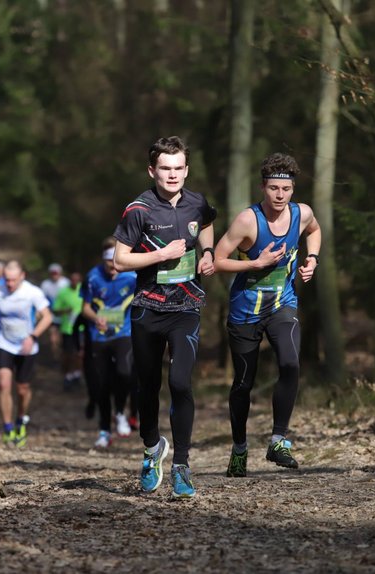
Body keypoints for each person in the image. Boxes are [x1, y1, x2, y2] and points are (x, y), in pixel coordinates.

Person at [113, 136, 216, 498]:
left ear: (186, 170)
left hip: (186, 306)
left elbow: (205, 225)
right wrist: (161, 256)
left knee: (181, 383)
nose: (172, 175)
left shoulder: (197, 202)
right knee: (147, 386)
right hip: (147, 307)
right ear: (152, 170)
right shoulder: (138, 210)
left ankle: (182, 466)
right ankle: (152, 448)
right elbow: (119, 260)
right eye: (165, 169)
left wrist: (208, 253)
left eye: (178, 169)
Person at [213, 153, 321, 477]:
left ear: (292, 190)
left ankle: (278, 441)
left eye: (285, 189)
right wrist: (254, 264)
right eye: (273, 188)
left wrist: (312, 259)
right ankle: (239, 448)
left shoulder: (302, 214)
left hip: (282, 304)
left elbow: (314, 231)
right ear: (263, 187)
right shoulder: (248, 220)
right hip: (245, 311)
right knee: (243, 384)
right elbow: (217, 260)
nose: (279, 195)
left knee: (290, 362)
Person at [0, 260, 53, 447]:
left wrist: (33, 336)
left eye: (13, 280)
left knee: (22, 389)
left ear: (22, 276)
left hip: (26, 345)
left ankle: (21, 418)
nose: (9, 284)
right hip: (4, 343)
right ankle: (7, 426)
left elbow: (48, 317)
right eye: (6, 280)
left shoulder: (32, 292)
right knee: (4, 384)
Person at [82, 238, 138, 449]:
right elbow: (85, 307)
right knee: (102, 384)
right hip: (100, 335)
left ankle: (121, 412)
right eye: (108, 264)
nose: (113, 268)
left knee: (125, 373)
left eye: (116, 263)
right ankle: (104, 430)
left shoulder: (132, 277)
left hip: (124, 333)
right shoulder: (93, 277)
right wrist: (96, 318)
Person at [53, 271, 84, 391]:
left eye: (77, 280)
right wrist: (65, 311)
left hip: (82, 329)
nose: (75, 282)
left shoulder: (84, 290)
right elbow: (55, 310)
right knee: (67, 354)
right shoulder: (63, 292)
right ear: (69, 280)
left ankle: (77, 375)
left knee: (80, 354)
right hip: (68, 329)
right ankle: (67, 376)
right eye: (73, 280)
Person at [40, 263, 70, 356]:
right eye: (53, 273)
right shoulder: (45, 284)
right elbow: (42, 298)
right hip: (52, 313)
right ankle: (55, 355)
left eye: (56, 273)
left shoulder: (66, 283)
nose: (54, 275)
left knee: (62, 337)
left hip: (64, 314)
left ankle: (62, 354)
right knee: (53, 337)